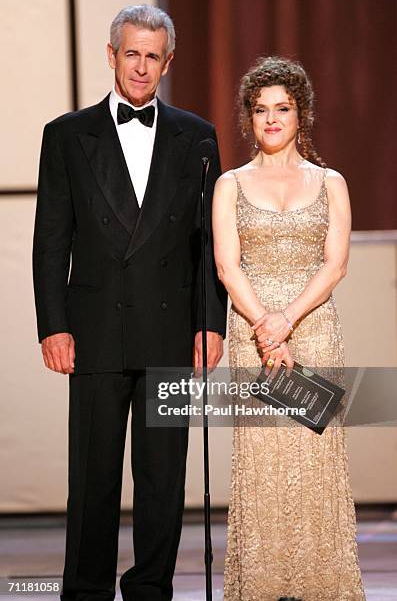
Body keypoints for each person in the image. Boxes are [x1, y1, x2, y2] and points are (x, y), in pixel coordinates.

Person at [32, 4, 227, 601]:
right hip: (93, 331)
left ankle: (150, 591)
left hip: (171, 332)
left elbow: (208, 241)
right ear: (112, 54)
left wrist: (209, 323)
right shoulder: (67, 135)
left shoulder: (197, 136)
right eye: (131, 53)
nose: (141, 67)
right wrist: (53, 325)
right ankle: (86, 590)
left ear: (169, 62)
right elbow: (50, 240)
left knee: (163, 480)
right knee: (91, 480)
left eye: (153, 56)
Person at [212, 56, 365, 600]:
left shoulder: (331, 182)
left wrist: (286, 320)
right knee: (264, 463)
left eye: (282, 109)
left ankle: (322, 585)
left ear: (302, 114)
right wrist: (263, 326)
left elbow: (336, 264)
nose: (271, 120)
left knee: (314, 461)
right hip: (253, 337)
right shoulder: (230, 183)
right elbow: (228, 266)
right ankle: (261, 585)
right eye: (260, 110)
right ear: (247, 118)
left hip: (314, 331)